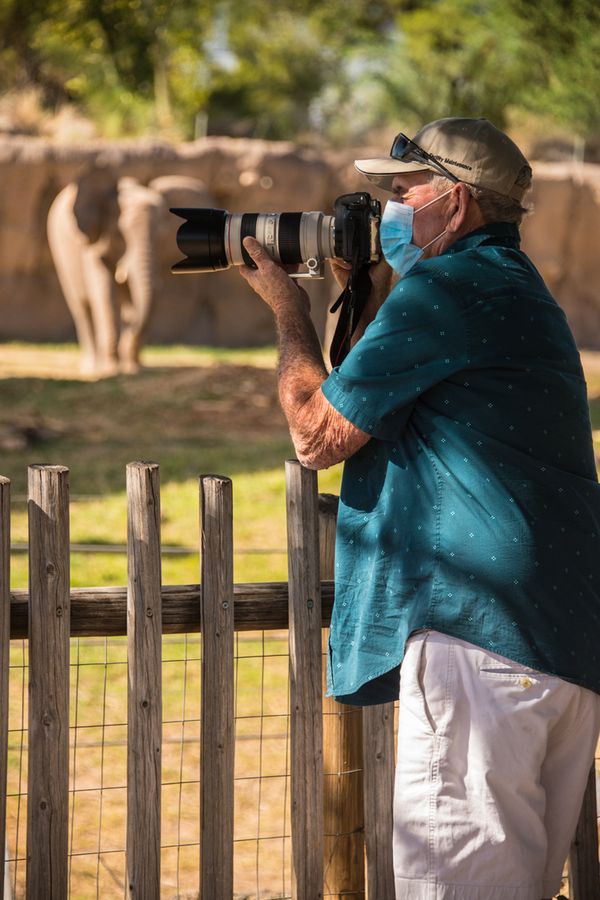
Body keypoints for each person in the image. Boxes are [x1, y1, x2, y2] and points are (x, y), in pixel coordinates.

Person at [238, 117, 600, 900]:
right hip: (552, 647)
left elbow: (316, 434)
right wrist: (362, 296)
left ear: (457, 203)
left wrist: (287, 309)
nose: (388, 207)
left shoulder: (446, 290)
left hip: (480, 649)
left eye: (403, 190)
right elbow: (394, 404)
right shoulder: (512, 289)